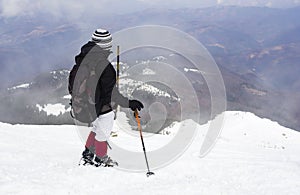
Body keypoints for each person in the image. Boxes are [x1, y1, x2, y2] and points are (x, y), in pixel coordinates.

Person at [78, 28, 144, 166]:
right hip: (101, 105)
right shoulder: (104, 66)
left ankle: (88, 154)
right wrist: (129, 103)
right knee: (103, 133)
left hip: (87, 103)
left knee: (96, 129)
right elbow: (112, 94)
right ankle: (101, 158)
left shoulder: (84, 58)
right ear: (106, 45)